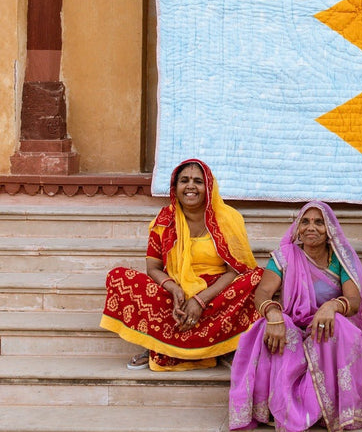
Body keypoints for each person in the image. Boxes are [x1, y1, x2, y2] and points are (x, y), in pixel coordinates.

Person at [228, 200, 362, 432]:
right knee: (269, 330)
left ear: (329, 230)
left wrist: (332, 306)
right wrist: (274, 315)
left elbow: (354, 300)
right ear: (297, 228)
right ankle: (289, 415)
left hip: (323, 327)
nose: (311, 227)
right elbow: (262, 294)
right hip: (292, 323)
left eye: (319, 222)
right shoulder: (285, 256)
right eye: (305, 221)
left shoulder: (340, 259)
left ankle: (320, 408)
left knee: (337, 328)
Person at [101, 159, 262, 370]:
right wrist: (174, 288)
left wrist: (200, 299)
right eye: (184, 180)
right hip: (174, 295)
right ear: (175, 188)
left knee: (258, 278)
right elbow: (153, 268)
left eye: (198, 181)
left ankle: (223, 345)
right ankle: (155, 343)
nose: (191, 186)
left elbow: (234, 271)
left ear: (209, 187)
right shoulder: (164, 220)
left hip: (215, 295)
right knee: (118, 276)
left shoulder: (228, 219)